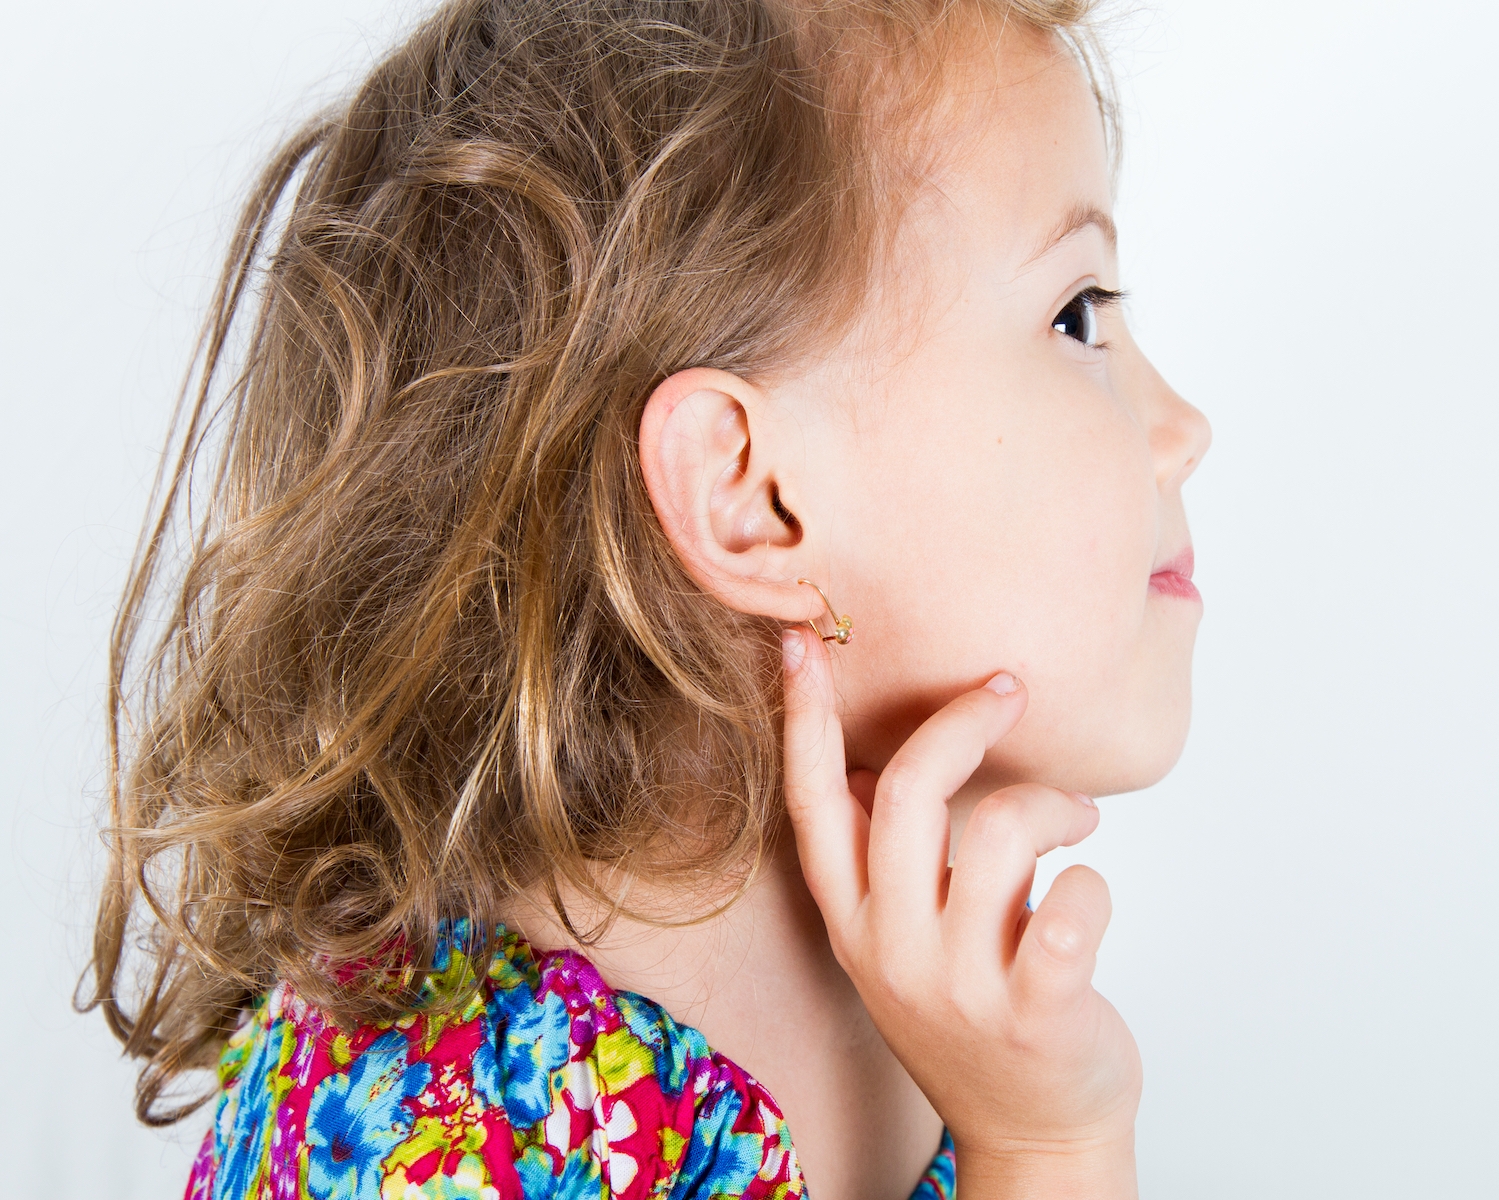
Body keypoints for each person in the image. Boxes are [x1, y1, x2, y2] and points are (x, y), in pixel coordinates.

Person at [84, 0, 1210, 1196]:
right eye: (1075, 316)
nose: (1186, 431)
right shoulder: (459, 1146)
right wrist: (1049, 1150)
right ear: (749, 495)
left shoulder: (941, 1009)